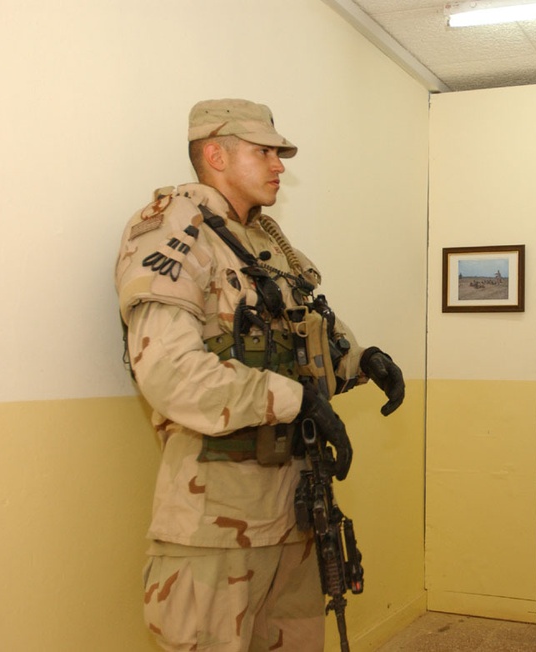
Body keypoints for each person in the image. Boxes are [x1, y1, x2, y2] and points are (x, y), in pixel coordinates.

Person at [115, 98, 405, 652]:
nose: (279, 166)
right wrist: (295, 399)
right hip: (217, 520)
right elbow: (170, 372)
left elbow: (303, 339)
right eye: (265, 151)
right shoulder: (175, 232)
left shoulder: (265, 245)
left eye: (280, 153)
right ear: (215, 153)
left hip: (295, 508)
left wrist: (362, 359)